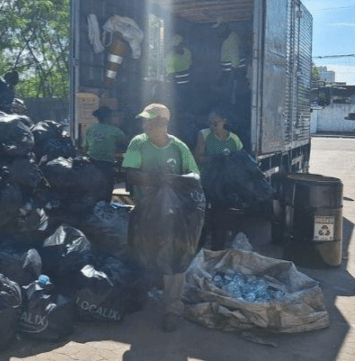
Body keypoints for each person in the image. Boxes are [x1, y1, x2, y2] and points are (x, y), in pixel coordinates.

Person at [121, 103, 201, 333]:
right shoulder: (138, 143)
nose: (145, 125)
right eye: (145, 121)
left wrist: (176, 180)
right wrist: (157, 179)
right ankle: (141, 296)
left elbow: (195, 175)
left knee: (175, 255)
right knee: (142, 252)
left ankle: (173, 308)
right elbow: (131, 173)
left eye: (150, 121)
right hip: (146, 210)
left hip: (174, 214)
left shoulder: (179, 148)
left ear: (163, 123)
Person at [194, 109, 244, 250]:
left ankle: (217, 251)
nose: (212, 126)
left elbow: (241, 160)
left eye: (215, 123)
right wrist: (215, 160)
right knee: (202, 218)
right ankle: (197, 250)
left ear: (224, 121)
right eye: (210, 123)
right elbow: (198, 157)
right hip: (206, 183)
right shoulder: (203, 135)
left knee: (220, 220)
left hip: (223, 187)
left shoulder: (234, 139)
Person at [83, 106, 128, 199]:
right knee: (107, 191)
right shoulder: (115, 130)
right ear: (108, 117)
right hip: (106, 165)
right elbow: (125, 143)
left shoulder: (90, 129)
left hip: (91, 164)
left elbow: (85, 148)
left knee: (92, 192)